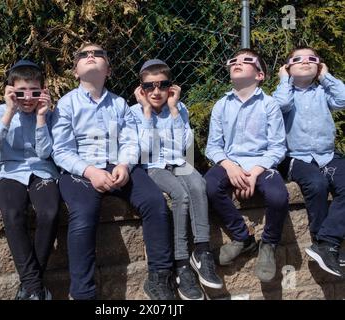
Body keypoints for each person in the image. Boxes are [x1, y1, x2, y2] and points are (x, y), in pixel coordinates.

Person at [51, 43, 176, 300]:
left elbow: (131, 141)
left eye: (98, 54)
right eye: (84, 54)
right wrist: (89, 172)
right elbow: (61, 150)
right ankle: (82, 293)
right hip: (79, 170)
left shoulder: (119, 104)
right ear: (75, 71)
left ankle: (160, 278)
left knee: (155, 203)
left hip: (117, 165)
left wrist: (125, 165)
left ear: (108, 70)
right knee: (84, 214)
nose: (91, 56)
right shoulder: (66, 105)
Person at [131, 59, 223, 300]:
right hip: (152, 166)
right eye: (149, 86)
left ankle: (202, 253)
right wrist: (147, 113)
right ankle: (181, 264)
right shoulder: (133, 113)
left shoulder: (179, 109)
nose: (157, 91)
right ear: (141, 89)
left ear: (171, 87)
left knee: (197, 183)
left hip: (178, 162)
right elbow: (143, 150)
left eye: (163, 85)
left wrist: (173, 110)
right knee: (179, 195)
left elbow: (185, 148)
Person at [204, 49, 289, 282]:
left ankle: (269, 244)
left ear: (260, 75)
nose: (237, 63)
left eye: (246, 61)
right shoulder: (221, 105)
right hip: (231, 161)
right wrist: (229, 166)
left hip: (262, 164)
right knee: (209, 186)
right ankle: (244, 238)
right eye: (234, 61)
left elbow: (278, 147)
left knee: (278, 196)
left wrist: (254, 174)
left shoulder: (269, 105)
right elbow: (213, 146)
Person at [0, 59, 60, 299]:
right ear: (10, 91)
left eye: (34, 92)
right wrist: (9, 110)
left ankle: (30, 287)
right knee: (12, 212)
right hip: (11, 172)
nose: (28, 98)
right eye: (21, 93)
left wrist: (40, 118)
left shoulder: (48, 114)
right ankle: (35, 286)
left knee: (49, 212)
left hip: (42, 171)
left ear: (43, 91)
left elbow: (45, 153)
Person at [273, 46, 345, 277]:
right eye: (297, 59)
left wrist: (326, 77)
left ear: (319, 66)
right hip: (296, 157)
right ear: (287, 67)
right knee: (317, 184)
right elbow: (281, 106)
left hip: (326, 155)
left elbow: (343, 99)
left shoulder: (323, 92)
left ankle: (327, 243)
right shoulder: (284, 93)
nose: (306, 62)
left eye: (312, 59)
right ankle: (322, 240)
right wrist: (284, 80)